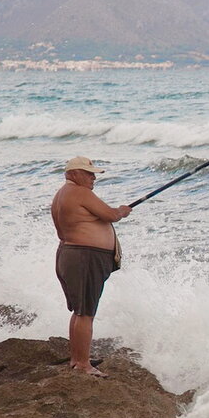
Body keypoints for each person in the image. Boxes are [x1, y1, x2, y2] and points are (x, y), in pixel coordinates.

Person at [50, 156, 132, 376]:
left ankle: (77, 359)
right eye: (89, 173)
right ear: (73, 174)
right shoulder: (79, 192)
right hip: (84, 257)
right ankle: (83, 364)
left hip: (71, 254)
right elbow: (111, 215)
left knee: (80, 311)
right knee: (86, 313)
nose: (93, 177)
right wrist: (122, 211)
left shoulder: (61, 195)